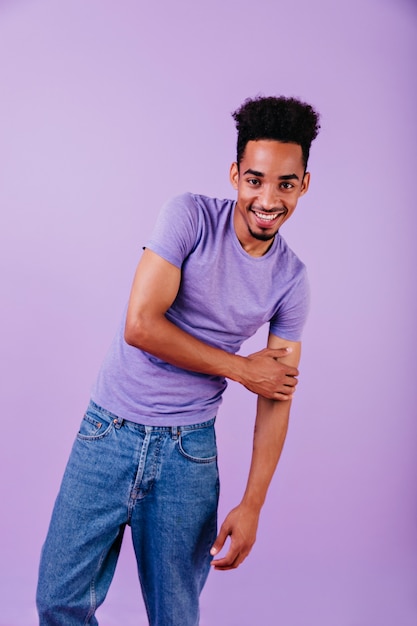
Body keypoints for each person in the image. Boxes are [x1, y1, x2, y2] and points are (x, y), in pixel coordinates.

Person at [36, 95, 320, 626]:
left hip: (187, 455)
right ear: (236, 174)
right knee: (59, 600)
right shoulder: (187, 216)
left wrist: (252, 503)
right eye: (255, 179)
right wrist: (239, 368)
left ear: (303, 184)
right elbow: (141, 325)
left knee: (175, 616)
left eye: (285, 183)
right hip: (108, 431)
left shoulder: (291, 280)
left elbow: (276, 392)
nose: (267, 198)